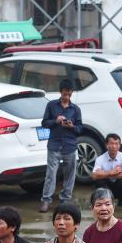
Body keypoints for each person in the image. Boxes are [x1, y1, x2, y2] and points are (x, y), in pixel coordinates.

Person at [39, 79, 82, 212]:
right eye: (64, 94)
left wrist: (72, 126)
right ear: (60, 92)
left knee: (70, 175)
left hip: (70, 145)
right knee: (50, 174)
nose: (66, 97)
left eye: (69, 94)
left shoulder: (75, 109)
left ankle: (65, 199)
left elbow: (80, 129)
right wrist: (56, 121)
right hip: (54, 145)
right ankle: (46, 200)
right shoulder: (51, 105)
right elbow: (44, 123)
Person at [91, 133, 122, 207]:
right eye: (111, 143)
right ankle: (106, 202)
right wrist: (111, 172)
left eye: (116, 144)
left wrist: (104, 174)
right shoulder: (100, 159)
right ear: (106, 145)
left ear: (119, 145)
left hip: (117, 185)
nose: (114, 146)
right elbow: (94, 176)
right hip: (106, 186)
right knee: (99, 182)